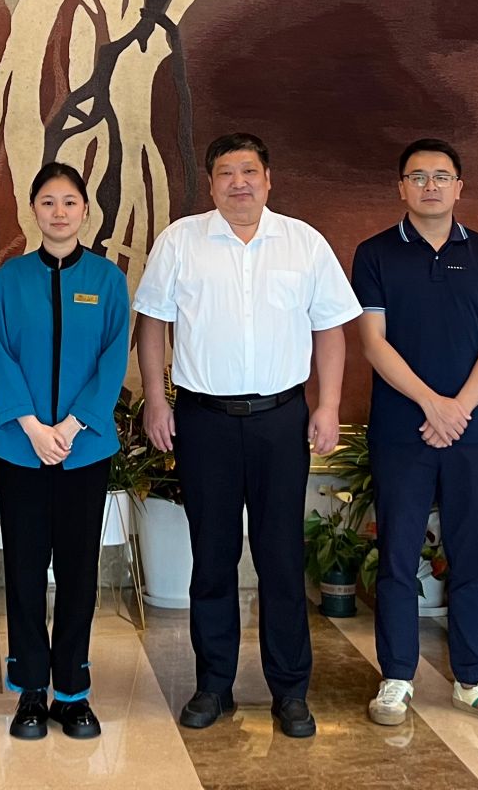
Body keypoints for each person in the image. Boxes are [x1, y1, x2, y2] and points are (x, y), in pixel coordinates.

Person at [135, 132, 361, 739]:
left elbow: (331, 330)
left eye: (250, 171)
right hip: (203, 419)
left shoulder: (303, 242)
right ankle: (214, 685)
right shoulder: (180, 241)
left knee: (281, 557)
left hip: (280, 418)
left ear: (268, 179)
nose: (239, 182)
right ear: (210, 184)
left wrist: (328, 405)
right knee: (211, 557)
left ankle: (291, 690)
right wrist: (156, 399)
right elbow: (152, 324)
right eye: (226, 173)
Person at [352, 139, 478, 732]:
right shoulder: (375, 253)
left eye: (441, 176)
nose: (430, 186)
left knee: (473, 556)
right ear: (400, 187)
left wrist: (459, 409)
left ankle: (475, 680)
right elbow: (373, 342)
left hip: (474, 433)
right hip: (401, 431)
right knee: (398, 556)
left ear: (459, 187)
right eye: (417, 176)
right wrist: (433, 405)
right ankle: (396, 677)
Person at [0, 162, 131, 741]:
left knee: (78, 570)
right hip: (20, 447)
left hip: (83, 448)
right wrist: (33, 426)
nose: (59, 212)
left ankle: (72, 691)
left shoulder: (107, 280)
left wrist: (69, 427)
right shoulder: (10, 279)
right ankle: (30, 689)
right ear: (34, 211)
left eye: (69, 201)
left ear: (85, 210)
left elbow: (112, 360)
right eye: (48, 202)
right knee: (23, 569)